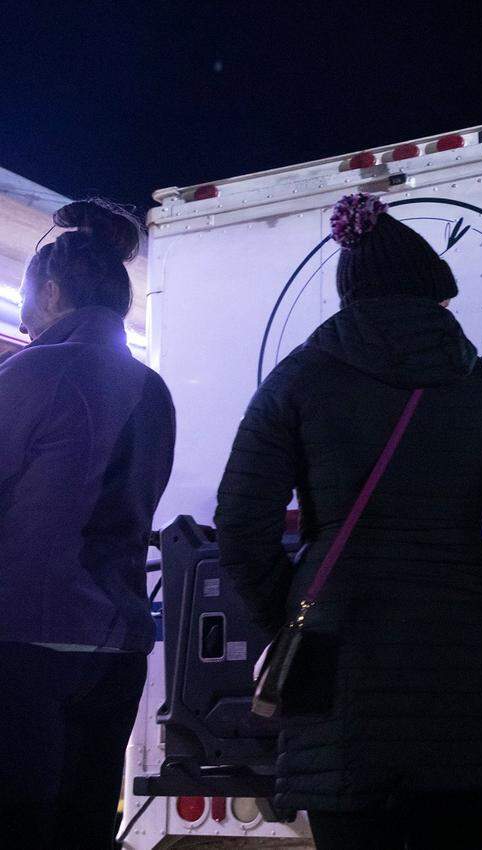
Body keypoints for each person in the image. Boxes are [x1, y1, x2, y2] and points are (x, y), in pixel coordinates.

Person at [214, 193, 482, 850]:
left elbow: (239, 524)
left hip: (339, 668)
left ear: (350, 294)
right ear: (436, 294)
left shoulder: (298, 382)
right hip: (462, 671)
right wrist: (471, 586)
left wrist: (290, 619)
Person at [0, 200, 176, 848]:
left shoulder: (31, 372)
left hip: (27, 643)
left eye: (23, 294)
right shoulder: (154, 389)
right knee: (84, 824)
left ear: (50, 291)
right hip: (117, 647)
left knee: (18, 823)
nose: (22, 313)